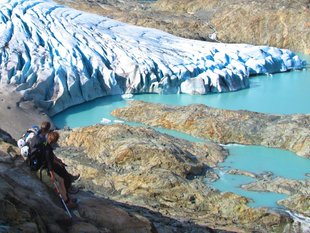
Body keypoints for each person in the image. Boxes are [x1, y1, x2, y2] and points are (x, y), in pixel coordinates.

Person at [44, 131, 77, 208]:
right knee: (62, 180)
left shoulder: (45, 144)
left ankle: (68, 194)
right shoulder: (48, 149)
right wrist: (52, 175)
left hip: (48, 164)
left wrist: (57, 160)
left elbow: (50, 156)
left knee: (62, 168)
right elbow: (49, 164)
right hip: (47, 167)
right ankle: (67, 201)